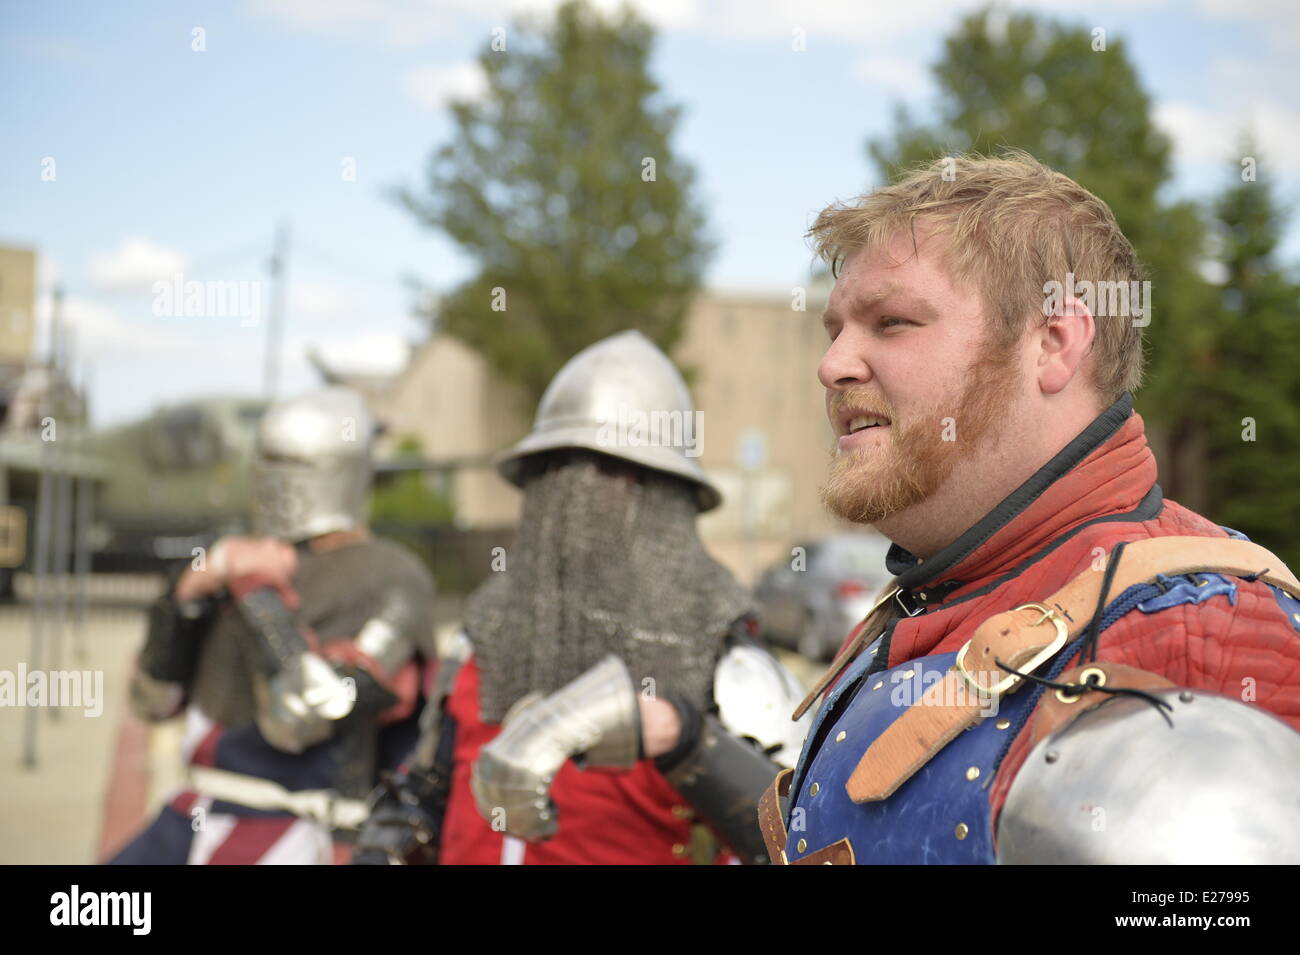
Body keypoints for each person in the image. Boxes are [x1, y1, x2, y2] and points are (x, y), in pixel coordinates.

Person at [761, 151, 1300, 865]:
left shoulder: (1210, 630)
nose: (833, 364)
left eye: (891, 322)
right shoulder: (918, 608)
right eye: (835, 330)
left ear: (1053, 344)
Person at [352, 330, 809, 865]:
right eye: (556, 469)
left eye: (605, 471)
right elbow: (425, 792)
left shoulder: (717, 642)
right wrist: (383, 847)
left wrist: (685, 737)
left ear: (662, 493)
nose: (573, 496)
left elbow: (800, 833)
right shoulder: (491, 624)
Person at [109, 387, 435, 865]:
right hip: (194, 814)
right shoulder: (229, 559)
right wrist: (182, 602)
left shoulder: (391, 577)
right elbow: (153, 701)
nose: (279, 483)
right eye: (271, 463)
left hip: (303, 831)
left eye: (294, 466)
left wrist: (257, 594)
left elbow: (300, 719)